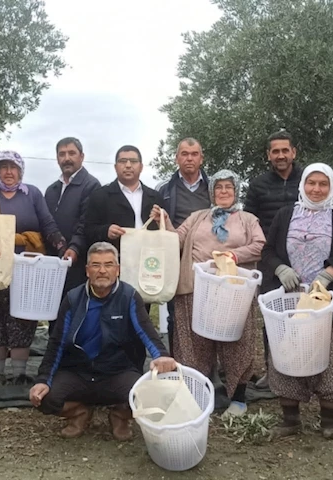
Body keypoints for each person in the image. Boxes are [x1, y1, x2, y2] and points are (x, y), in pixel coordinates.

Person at [29, 242, 176, 440]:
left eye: (108, 265)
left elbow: (147, 332)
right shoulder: (73, 298)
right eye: (96, 265)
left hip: (117, 371)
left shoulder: (129, 296)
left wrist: (162, 356)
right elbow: (56, 342)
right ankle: (80, 413)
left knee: (148, 396)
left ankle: (120, 416)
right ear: (87, 270)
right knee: (43, 398)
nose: (102, 271)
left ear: (118, 270)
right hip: (78, 371)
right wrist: (43, 380)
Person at [151, 170, 265, 417]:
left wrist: (234, 256)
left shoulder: (247, 219)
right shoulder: (197, 217)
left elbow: (258, 246)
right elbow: (175, 241)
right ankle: (197, 398)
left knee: (237, 343)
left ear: (236, 191)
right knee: (194, 345)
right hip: (195, 290)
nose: (223, 191)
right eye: (219, 188)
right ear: (212, 192)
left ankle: (238, 399)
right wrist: (165, 220)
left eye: (229, 187)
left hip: (233, 292)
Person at [260, 163, 333, 439]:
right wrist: (280, 268)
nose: (316, 189)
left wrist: (329, 274)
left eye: (323, 184)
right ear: (302, 185)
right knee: (289, 352)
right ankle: (290, 419)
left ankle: (329, 420)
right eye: (311, 183)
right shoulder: (285, 215)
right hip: (292, 303)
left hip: (330, 304)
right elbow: (268, 251)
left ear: (331, 187)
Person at [0, 150, 67, 386]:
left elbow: (47, 222)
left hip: (27, 267)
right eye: (3, 167)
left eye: (13, 167)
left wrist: (61, 244)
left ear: (21, 170)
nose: (8, 172)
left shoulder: (32, 193)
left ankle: (20, 374)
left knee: (23, 318)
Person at [245, 130, 303, 392]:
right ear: (269, 155)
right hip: (270, 260)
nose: (280, 155)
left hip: (304, 258)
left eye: (285, 150)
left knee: (305, 316)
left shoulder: (307, 179)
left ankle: (302, 368)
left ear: (293, 152)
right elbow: (250, 221)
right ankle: (273, 371)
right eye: (275, 151)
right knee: (273, 317)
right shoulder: (258, 185)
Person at [156, 138, 211, 353]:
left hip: (206, 259)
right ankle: (177, 360)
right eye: (184, 154)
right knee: (176, 312)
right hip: (175, 258)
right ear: (176, 157)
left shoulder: (212, 187)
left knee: (206, 311)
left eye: (194, 154)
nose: (189, 158)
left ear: (201, 158)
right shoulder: (164, 189)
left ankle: (208, 366)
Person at [44, 137, 101, 334]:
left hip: (78, 264)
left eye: (71, 153)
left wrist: (74, 247)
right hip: (53, 262)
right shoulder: (51, 190)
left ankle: (76, 362)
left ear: (82, 157)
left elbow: (86, 223)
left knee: (77, 314)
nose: (66, 158)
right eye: (62, 154)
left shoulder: (91, 186)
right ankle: (56, 360)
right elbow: (46, 223)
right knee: (55, 315)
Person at [84, 145, 165, 251]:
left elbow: (165, 230)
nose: (128, 165)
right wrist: (105, 231)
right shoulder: (100, 196)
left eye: (133, 161)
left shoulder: (155, 197)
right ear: (115, 167)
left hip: (149, 259)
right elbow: (88, 230)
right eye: (122, 161)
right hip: (116, 260)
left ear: (141, 167)